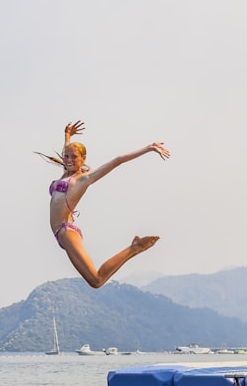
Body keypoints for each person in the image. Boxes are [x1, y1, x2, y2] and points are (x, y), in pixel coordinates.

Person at [38, 120, 170, 288]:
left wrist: (148, 148)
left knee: (96, 280)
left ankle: (135, 247)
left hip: (66, 232)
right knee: (95, 280)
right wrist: (67, 136)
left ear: (83, 159)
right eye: (67, 156)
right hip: (60, 233)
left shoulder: (83, 179)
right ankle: (135, 247)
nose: (69, 160)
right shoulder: (65, 175)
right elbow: (67, 153)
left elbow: (117, 160)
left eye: (74, 157)